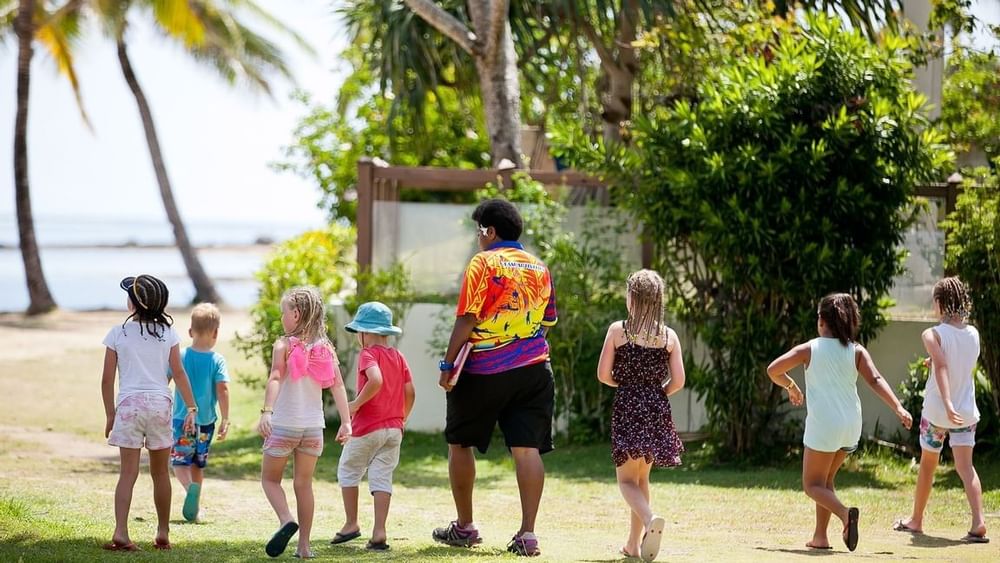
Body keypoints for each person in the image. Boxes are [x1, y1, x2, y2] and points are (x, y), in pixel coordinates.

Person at [433, 198, 558, 557]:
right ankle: (528, 534)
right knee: (527, 448)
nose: (477, 238)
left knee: (459, 442)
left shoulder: (483, 263)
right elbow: (547, 321)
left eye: (478, 231)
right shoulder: (539, 266)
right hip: (535, 369)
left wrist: (447, 364)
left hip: (483, 369)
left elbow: (467, 318)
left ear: (489, 231)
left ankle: (465, 527)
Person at [766, 293, 912, 552]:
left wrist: (791, 386)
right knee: (825, 481)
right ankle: (820, 537)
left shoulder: (810, 348)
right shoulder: (856, 350)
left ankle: (846, 515)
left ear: (821, 320)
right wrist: (898, 407)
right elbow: (876, 380)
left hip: (824, 425)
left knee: (811, 485)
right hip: (850, 426)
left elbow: (773, 370)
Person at [101, 274, 198, 551]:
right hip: (159, 405)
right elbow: (178, 373)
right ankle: (163, 531)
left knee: (127, 474)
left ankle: (121, 532)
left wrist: (111, 414)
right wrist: (191, 407)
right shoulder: (169, 333)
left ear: (133, 303)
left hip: (130, 406)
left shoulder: (117, 333)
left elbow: (107, 380)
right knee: (160, 474)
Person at [597, 269, 686, 562]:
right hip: (656, 407)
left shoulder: (617, 330)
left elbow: (603, 374)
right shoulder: (668, 336)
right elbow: (679, 381)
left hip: (628, 404)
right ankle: (633, 546)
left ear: (631, 298)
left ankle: (649, 520)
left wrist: (627, 387)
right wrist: (656, 394)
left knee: (626, 481)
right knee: (641, 479)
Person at [257, 286, 351, 558]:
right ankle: (304, 547)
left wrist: (267, 411)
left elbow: (275, 377)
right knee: (304, 485)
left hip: (284, 425)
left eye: (283, 312)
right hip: (312, 429)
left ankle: (286, 519)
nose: (281, 317)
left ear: (296, 314)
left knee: (270, 480)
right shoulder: (325, 348)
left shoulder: (283, 344)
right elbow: (338, 386)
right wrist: (346, 422)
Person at [893, 277, 989, 543]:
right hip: (966, 413)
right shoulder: (973, 334)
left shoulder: (931, 334)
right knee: (966, 467)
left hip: (937, 412)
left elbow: (943, 365)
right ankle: (979, 522)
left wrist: (946, 402)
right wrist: (933, 362)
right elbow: (955, 360)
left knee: (928, 465)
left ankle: (916, 520)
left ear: (940, 303)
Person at [332, 301, 416, 552]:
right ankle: (379, 531)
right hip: (394, 429)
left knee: (348, 470)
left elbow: (375, 380)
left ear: (364, 333)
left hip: (368, 427)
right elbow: (410, 391)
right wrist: (403, 418)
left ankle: (351, 523)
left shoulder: (368, 354)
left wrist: (355, 404)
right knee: (382, 476)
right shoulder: (398, 356)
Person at [169, 302, 230, 522]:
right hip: (206, 423)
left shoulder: (180, 356)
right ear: (216, 332)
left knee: (179, 462)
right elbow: (222, 389)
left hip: (181, 420)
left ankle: (189, 489)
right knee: (197, 463)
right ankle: (195, 507)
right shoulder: (217, 360)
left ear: (190, 331)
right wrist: (226, 418)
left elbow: (166, 379)